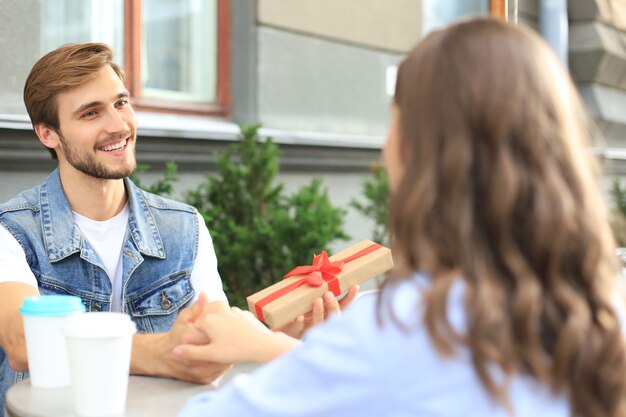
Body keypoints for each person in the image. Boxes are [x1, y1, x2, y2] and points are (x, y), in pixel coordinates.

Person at [174, 18, 626, 417]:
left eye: (392, 120)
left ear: (414, 148)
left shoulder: (400, 333)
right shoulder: (600, 313)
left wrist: (273, 349)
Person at [0, 43, 356, 410]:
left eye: (121, 103)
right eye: (91, 113)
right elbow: (24, 343)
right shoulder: (12, 231)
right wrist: (162, 352)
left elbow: (214, 354)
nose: (118, 125)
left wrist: (272, 339)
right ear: (48, 134)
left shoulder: (184, 227)